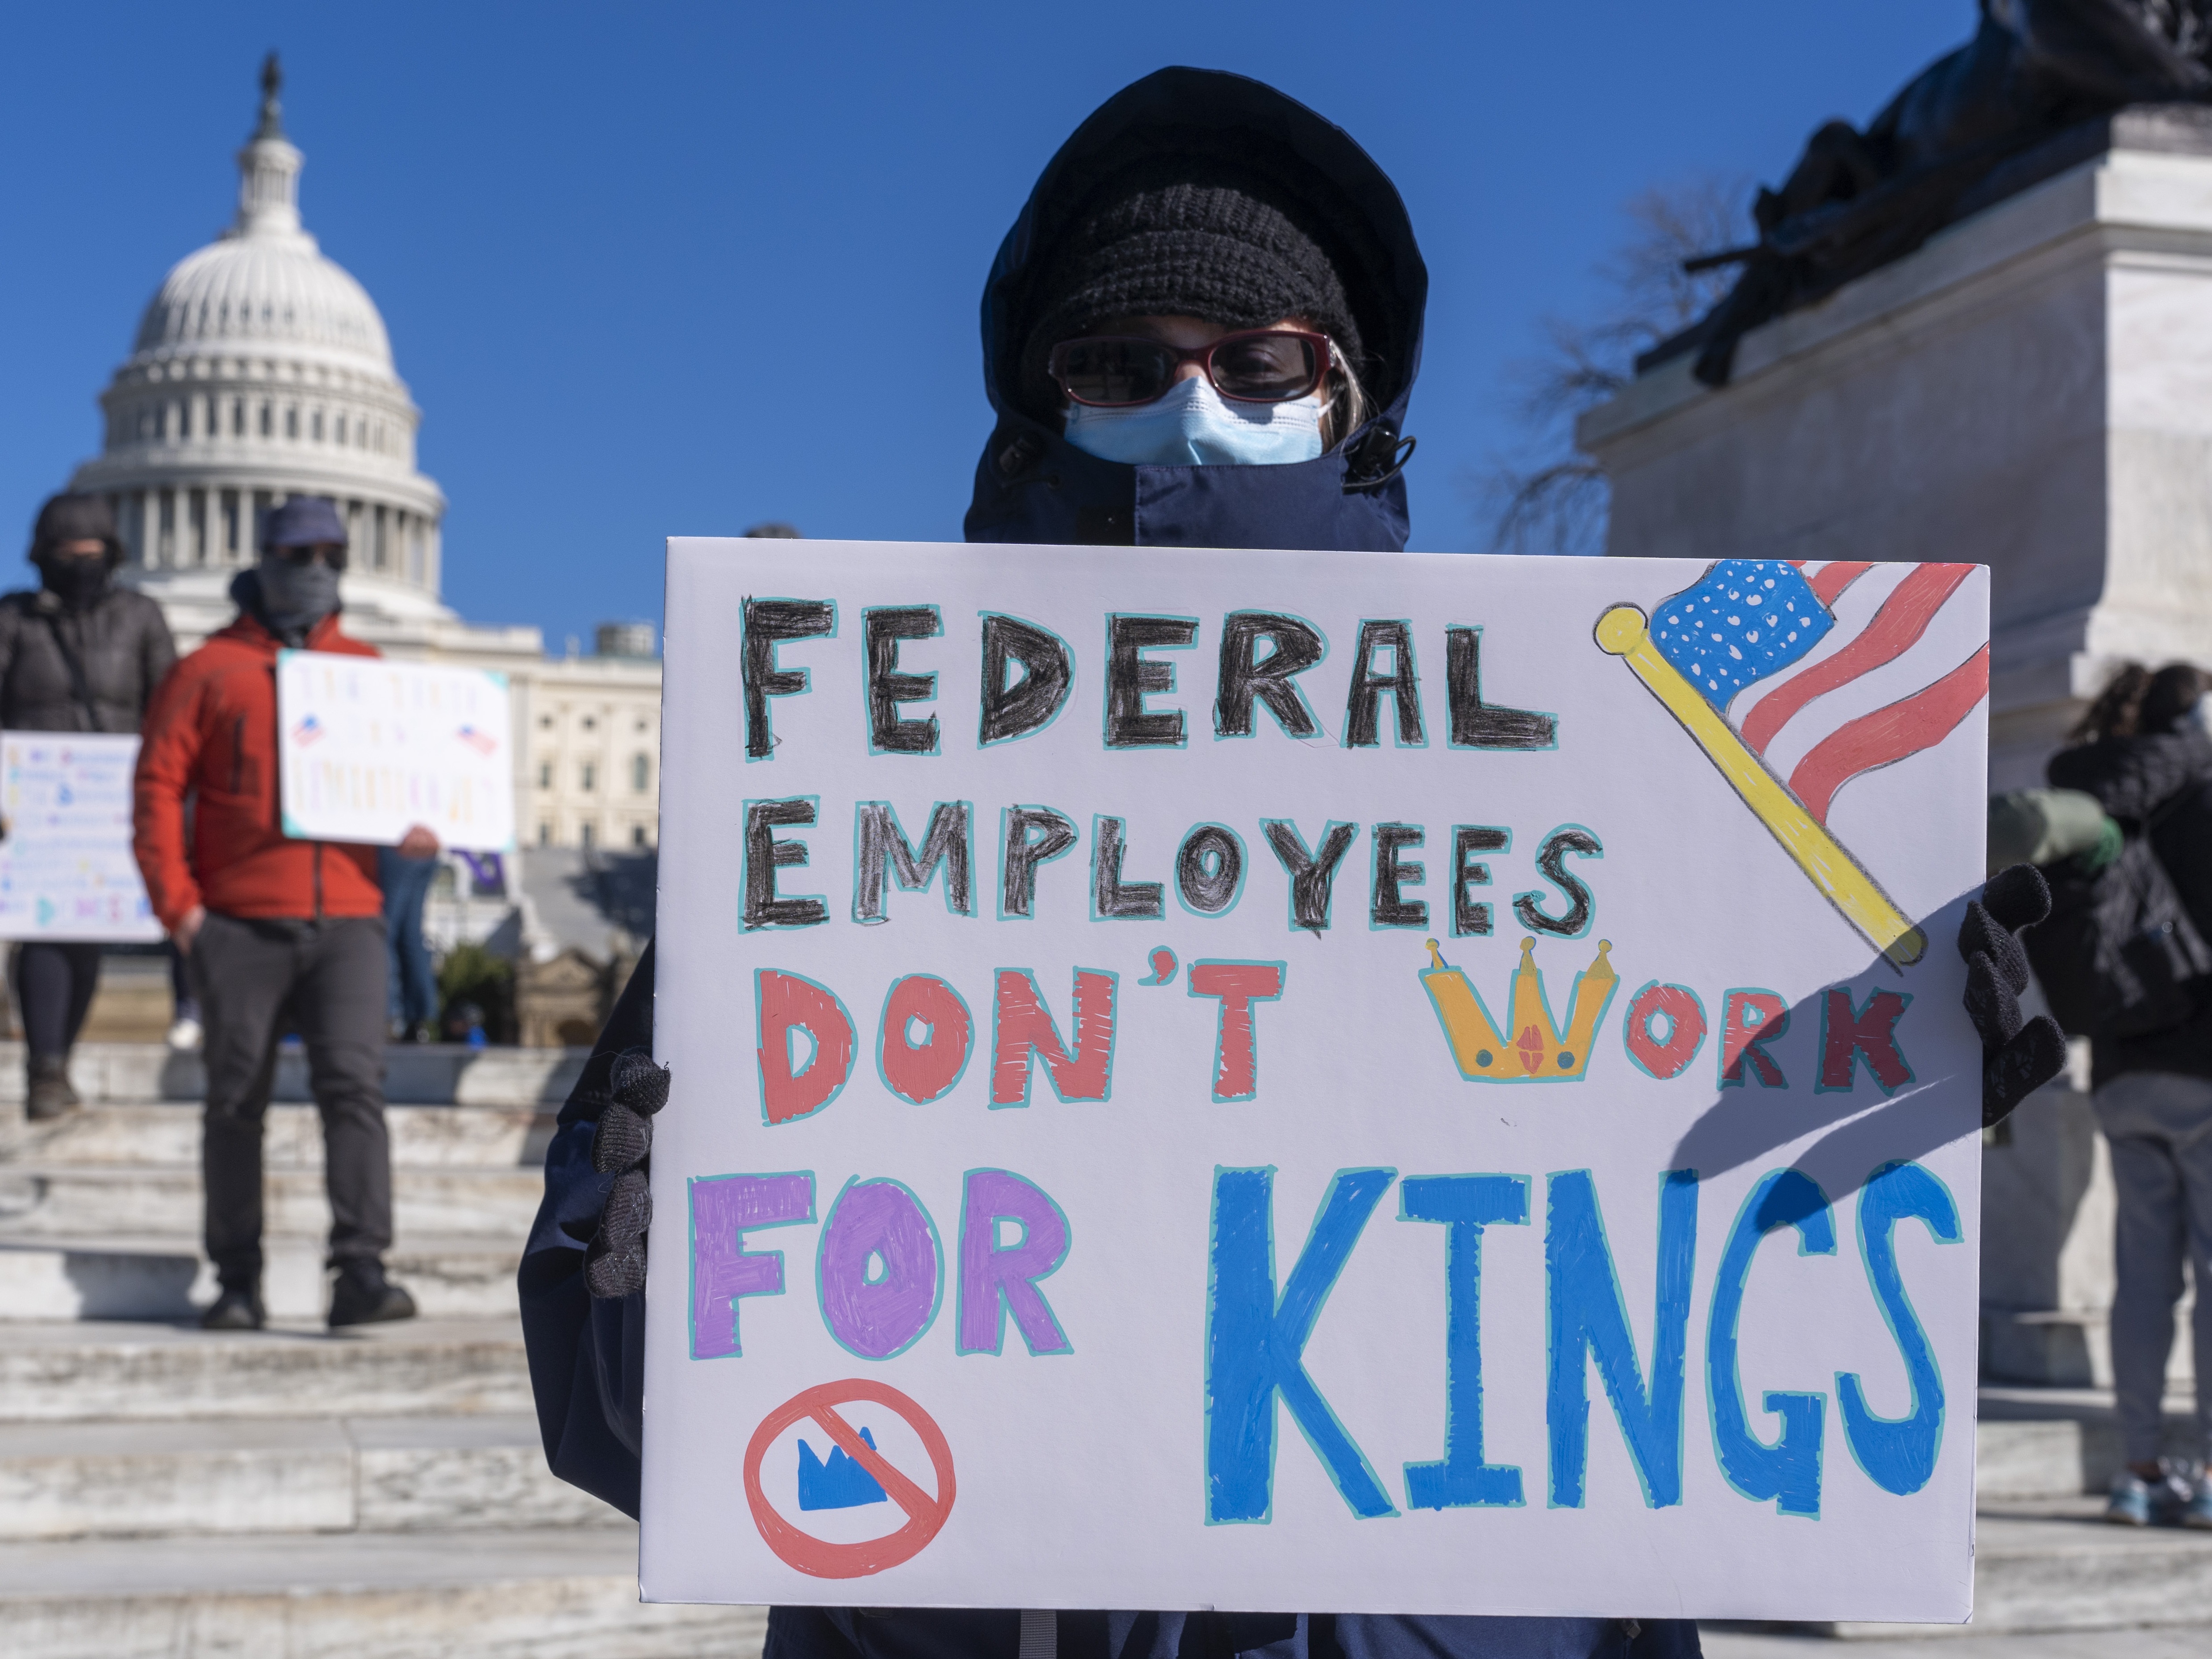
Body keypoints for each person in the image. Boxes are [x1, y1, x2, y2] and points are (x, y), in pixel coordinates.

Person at [520, 69, 2064, 1658]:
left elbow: (1696, 1306)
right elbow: (625, 1421)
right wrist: (647, 1278)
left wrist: (1889, 1088)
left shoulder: (1580, 779)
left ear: (1347, 399)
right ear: (1037, 408)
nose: (1190, 401)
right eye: (1118, 361)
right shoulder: (859, 802)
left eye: (1258, 360)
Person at [133, 496, 439, 1332]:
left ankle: (361, 1272)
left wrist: (420, 831)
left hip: (347, 916)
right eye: (298, 554)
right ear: (263, 560)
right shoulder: (207, 671)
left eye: (330, 554)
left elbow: (411, 790)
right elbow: (159, 786)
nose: (315, 570)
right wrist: (182, 910)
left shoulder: (369, 674)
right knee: (235, 1103)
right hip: (237, 921)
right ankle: (237, 1278)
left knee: (356, 1092)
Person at [2038, 662, 2212, 1529]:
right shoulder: (2204, 795)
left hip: (2118, 1072)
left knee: (2142, 1278)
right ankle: (2210, 1472)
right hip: (2204, 1070)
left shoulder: (2103, 789)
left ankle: (2138, 1470)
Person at [0, 493, 177, 1119]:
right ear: (41, 556)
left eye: (92, 554)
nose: (80, 565)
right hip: (34, 805)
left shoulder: (140, 617)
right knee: (45, 931)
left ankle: (57, 1056)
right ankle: (46, 1065)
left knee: (83, 936)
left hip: (110, 803)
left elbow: (168, 706)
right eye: (66, 555)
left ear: (113, 554)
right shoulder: (13, 619)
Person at [377, 844, 439, 1041]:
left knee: (384, 934)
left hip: (393, 844)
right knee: (411, 936)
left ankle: (388, 1016)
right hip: (426, 847)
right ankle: (418, 1020)